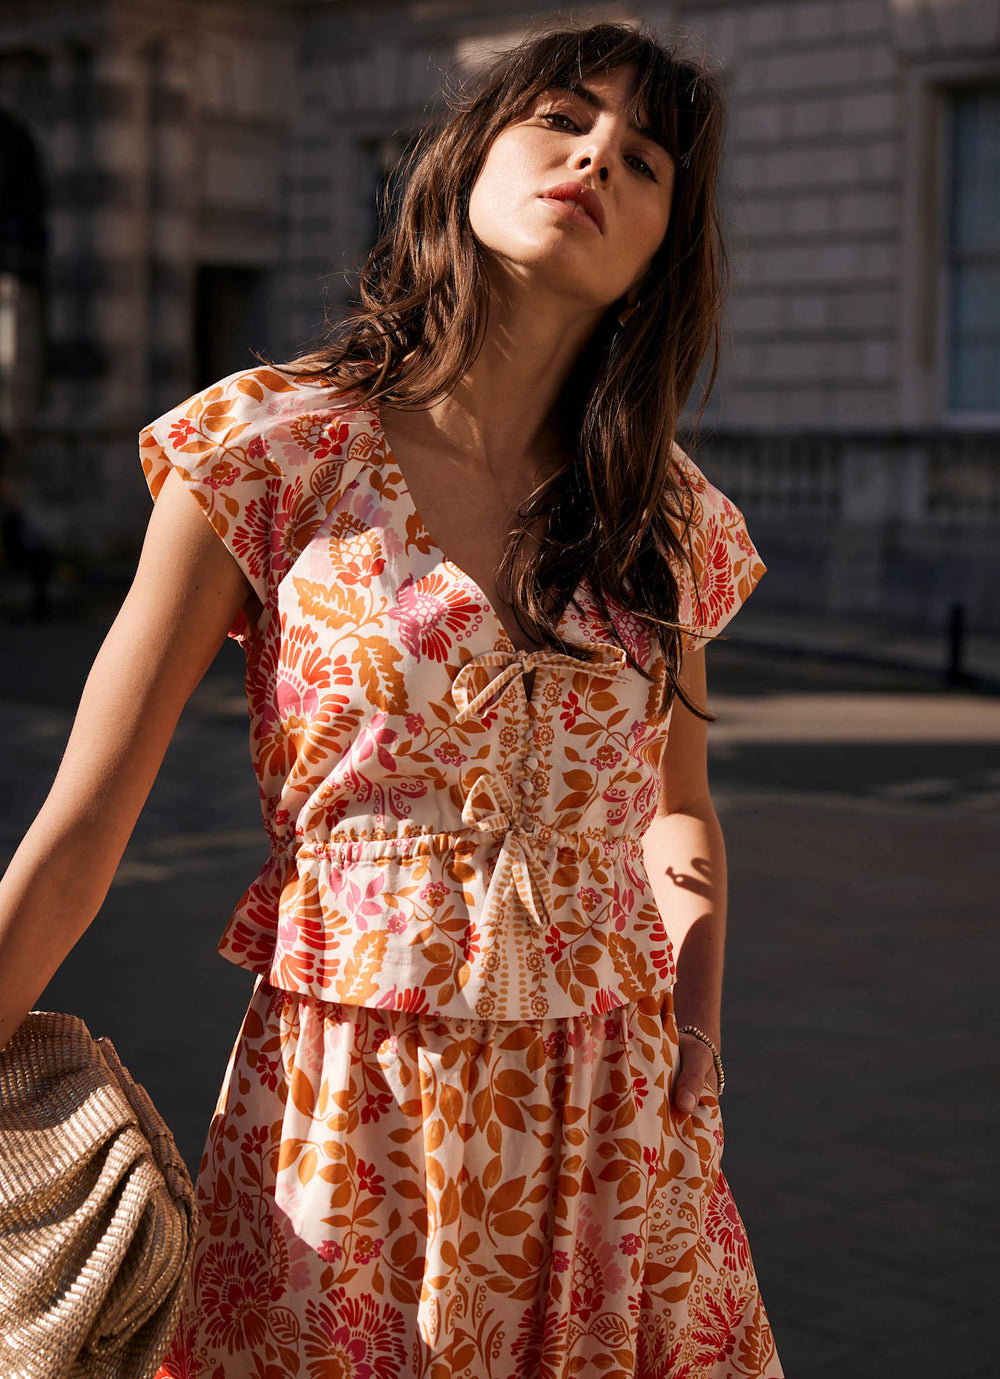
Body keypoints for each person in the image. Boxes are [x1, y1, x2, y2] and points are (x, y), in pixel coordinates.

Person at [0, 21, 783, 1379]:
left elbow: (681, 818)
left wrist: (696, 1045)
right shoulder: (269, 449)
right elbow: (82, 831)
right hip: (347, 1120)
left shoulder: (665, 520)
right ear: (472, 152)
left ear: (665, 243)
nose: (598, 153)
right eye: (564, 116)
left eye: (646, 157)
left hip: (615, 1135)